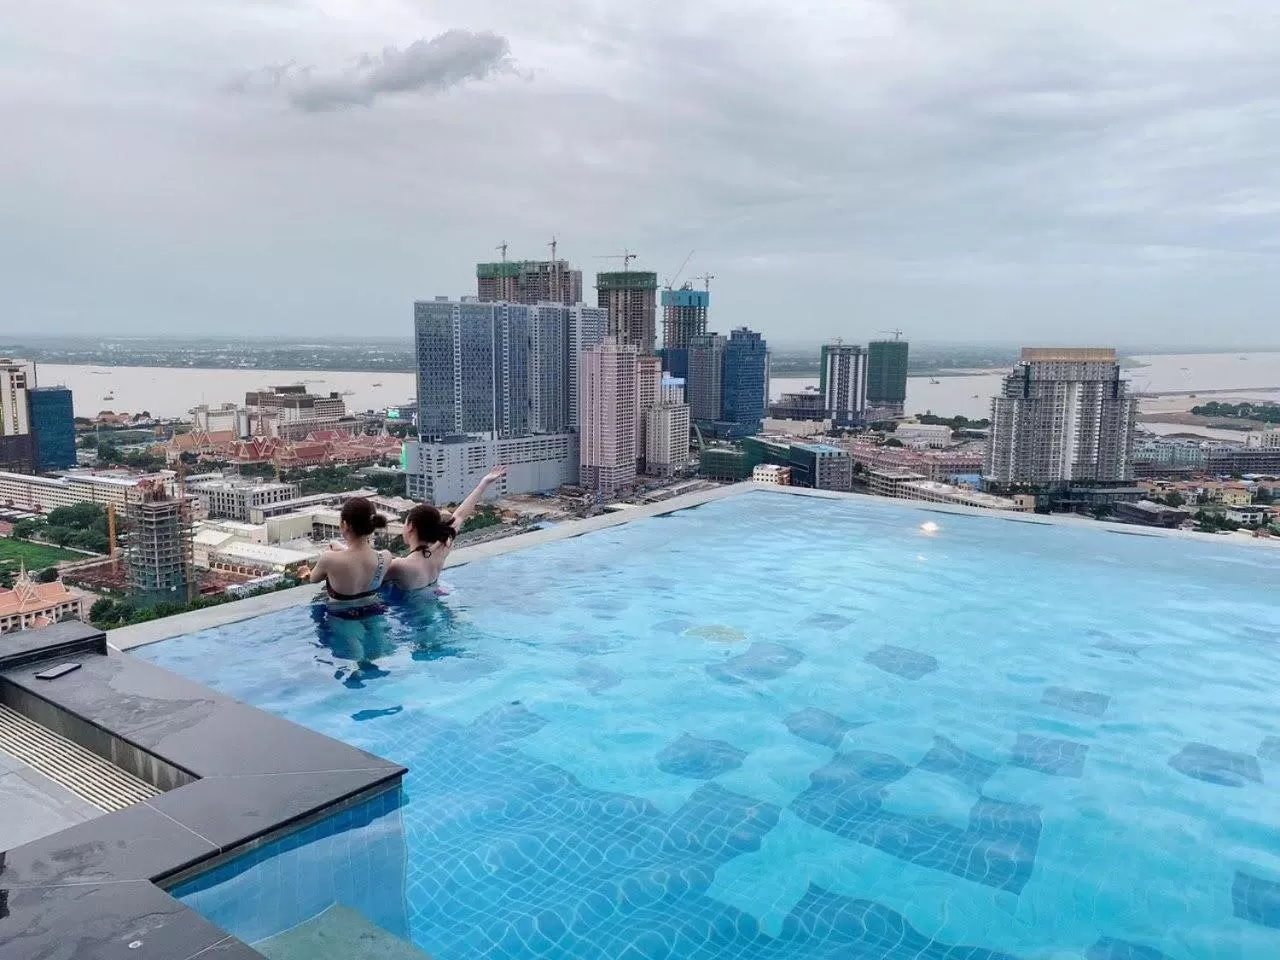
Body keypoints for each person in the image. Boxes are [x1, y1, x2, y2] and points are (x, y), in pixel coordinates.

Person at [386, 466, 506, 594]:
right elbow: (460, 516)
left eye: (404, 523)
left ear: (410, 527)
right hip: (434, 600)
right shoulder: (443, 546)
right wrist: (484, 484)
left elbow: (371, 573)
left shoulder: (400, 566)